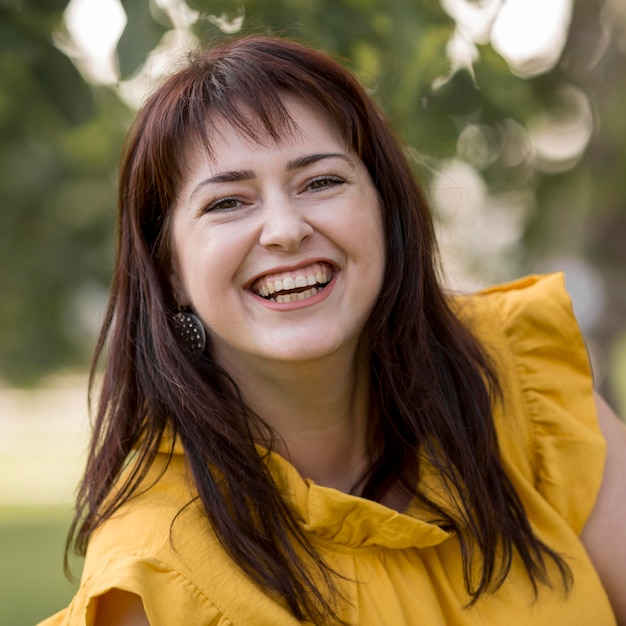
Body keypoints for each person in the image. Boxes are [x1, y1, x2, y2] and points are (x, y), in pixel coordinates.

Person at [40, 35, 626, 626]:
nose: (285, 230)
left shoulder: (517, 371)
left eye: (320, 182)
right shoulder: (158, 576)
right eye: (227, 203)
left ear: (385, 211)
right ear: (171, 271)